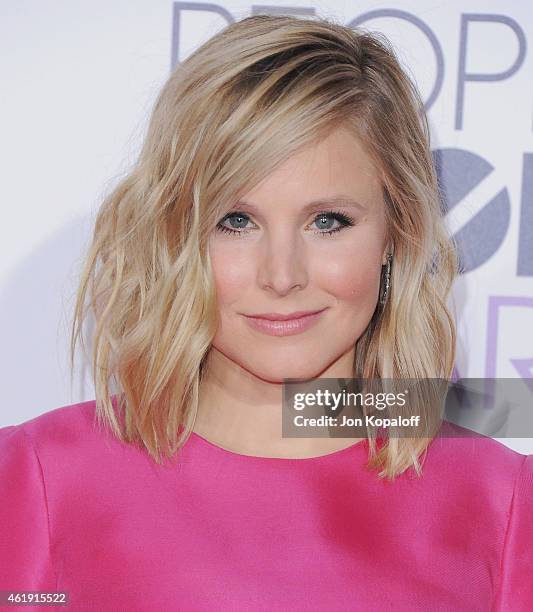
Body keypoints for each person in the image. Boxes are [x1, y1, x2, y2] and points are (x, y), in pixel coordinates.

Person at [1, 13, 531, 611]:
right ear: (176, 236)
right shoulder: (35, 480)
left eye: (328, 221)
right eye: (236, 221)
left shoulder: (502, 504)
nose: (282, 276)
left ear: (395, 235)